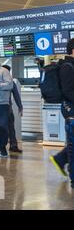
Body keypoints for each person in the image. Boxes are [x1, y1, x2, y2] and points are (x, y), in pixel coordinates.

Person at [50, 38, 74, 189]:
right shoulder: (67, 67)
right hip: (71, 109)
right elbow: (67, 91)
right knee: (73, 146)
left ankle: (59, 159)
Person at [1, 65, 24, 153]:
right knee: (8, 128)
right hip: (2, 108)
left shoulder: (9, 82)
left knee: (9, 127)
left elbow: (16, 95)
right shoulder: (6, 81)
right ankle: (8, 146)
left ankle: (11, 146)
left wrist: (20, 107)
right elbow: (16, 95)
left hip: (6, 108)